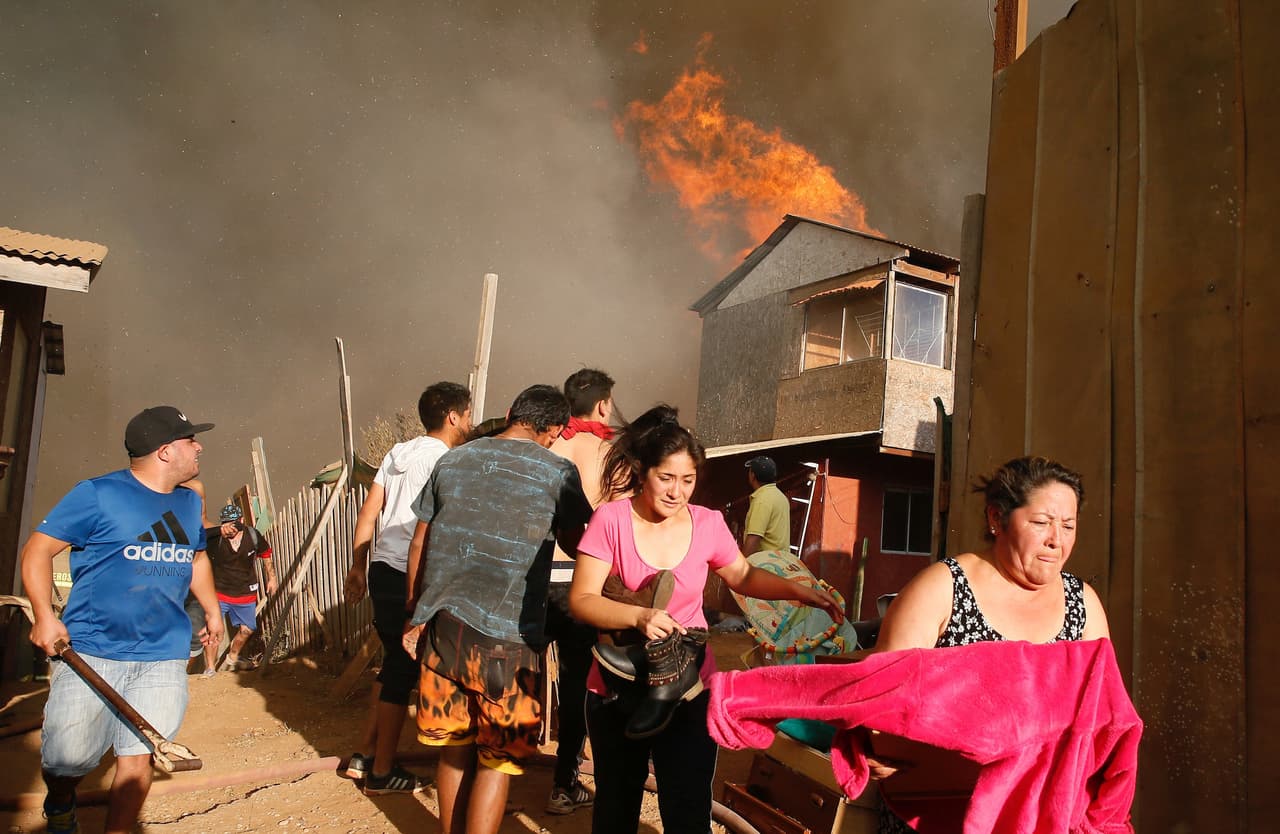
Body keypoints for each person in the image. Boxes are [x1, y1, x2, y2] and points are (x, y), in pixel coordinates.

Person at [568, 405, 845, 834]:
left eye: (688, 480)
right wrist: (638, 616)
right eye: (666, 478)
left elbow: (743, 575)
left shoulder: (708, 523)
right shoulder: (612, 520)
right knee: (616, 807)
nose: (677, 491)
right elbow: (582, 599)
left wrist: (799, 589)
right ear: (643, 472)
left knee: (689, 806)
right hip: (617, 687)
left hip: (689, 688)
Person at [870, 455, 1111, 832]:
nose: (1056, 540)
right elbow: (880, 700)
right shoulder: (943, 588)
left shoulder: (1083, 604)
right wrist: (877, 747)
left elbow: (1103, 714)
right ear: (996, 519)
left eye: (1068, 526)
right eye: (1041, 523)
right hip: (942, 809)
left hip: (1043, 813)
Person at [20, 405, 223, 834]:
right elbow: (37, 550)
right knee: (68, 759)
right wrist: (43, 615)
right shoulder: (97, 495)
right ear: (166, 451)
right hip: (92, 652)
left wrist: (211, 609)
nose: (199, 446)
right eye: (191, 440)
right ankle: (60, 800)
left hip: (162, 653)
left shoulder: (189, 504)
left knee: (139, 754)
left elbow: (197, 559)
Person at [403, 384, 593, 834]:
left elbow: (419, 543)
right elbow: (574, 541)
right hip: (509, 638)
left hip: (444, 628)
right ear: (552, 429)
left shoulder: (451, 459)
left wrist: (415, 615)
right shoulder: (559, 471)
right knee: (498, 759)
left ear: (511, 413)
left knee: (453, 748)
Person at [342, 381, 472, 795]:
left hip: (383, 567)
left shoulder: (398, 454)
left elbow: (369, 512)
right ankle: (381, 773)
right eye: (468, 414)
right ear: (453, 416)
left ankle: (364, 755)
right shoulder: (448, 461)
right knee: (406, 666)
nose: (469, 422)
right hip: (414, 571)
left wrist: (358, 566)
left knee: (393, 663)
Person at [543, 368, 616, 815]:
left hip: (534, 579)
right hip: (581, 583)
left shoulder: (547, 445)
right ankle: (563, 784)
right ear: (604, 404)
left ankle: (499, 764)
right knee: (575, 684)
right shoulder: (610, 452)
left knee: (517, 675)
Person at [204, 502, 277, 674]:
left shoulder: (252, 535)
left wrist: (272, 578)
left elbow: (266, 554)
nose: (231, 527)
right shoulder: (215, 538)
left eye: (234, 522)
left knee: (247, 629)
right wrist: (218, 531)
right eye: (227, 523)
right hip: (219, 592)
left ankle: (233, 656)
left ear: (242, 520)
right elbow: (195, 537)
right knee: (212, 631)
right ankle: (209, 668)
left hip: (245, 592)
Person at [742, 455, 790, 555]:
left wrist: (742, 567)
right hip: (782, 561)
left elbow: (754, 537)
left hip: (766, 562)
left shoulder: (761, 499)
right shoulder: (781, 497)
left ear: (753, 475)